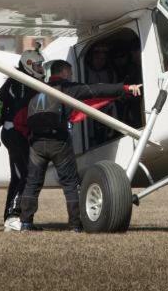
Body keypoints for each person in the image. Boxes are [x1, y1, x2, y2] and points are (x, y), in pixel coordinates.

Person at [18, 59, 142, 232]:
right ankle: (75, 225)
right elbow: (96, 89)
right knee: (70, 183)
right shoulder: (68, 88)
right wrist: (124, 88)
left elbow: (22, 119)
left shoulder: (37, 92)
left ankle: (25, 223)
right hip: (58, 142)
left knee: (32, 183)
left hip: (36, 144)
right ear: (63, 73)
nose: (71, 75)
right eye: (69, 72)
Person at [0, 47, 43, 231]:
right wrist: (2, 122)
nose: (41, 69)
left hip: (23, 134)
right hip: (14, 133)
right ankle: (12, 217)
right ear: (28, 66)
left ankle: (24, 219)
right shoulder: (16, 83)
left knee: (27, 176)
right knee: (22, 176)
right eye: (38, 66)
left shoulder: (32, 82)